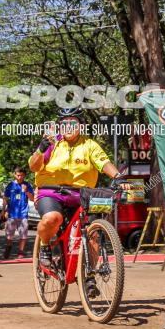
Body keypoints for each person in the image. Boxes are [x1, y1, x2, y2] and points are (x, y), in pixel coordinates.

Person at [28, 107, 131, 291]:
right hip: (51, 192)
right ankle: (44, 247)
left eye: (73, 123)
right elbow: (34, 167)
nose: (69, 127)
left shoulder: (89, 145)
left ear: (81, 125)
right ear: (59, 126)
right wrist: (40, 148)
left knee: (93, 232)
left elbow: (104, 162)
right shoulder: (52, 144)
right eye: (65, 123)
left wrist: (118, 177)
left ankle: (89, 274)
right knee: (53, 218)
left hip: (81, 194)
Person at [2, 167, 34, 259]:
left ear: (24, 176)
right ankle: (8, 247)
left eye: (22, 175)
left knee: (23, 234)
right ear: (15, 175)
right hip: (12, 213)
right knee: (9, 234)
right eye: (18, 175)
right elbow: (5, 198)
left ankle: (21, 251)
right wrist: (3, 210)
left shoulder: (27, 185)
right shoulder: (10, 185)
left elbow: (32, 198)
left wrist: (27, 191)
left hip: (23, 214)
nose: (20, 177)